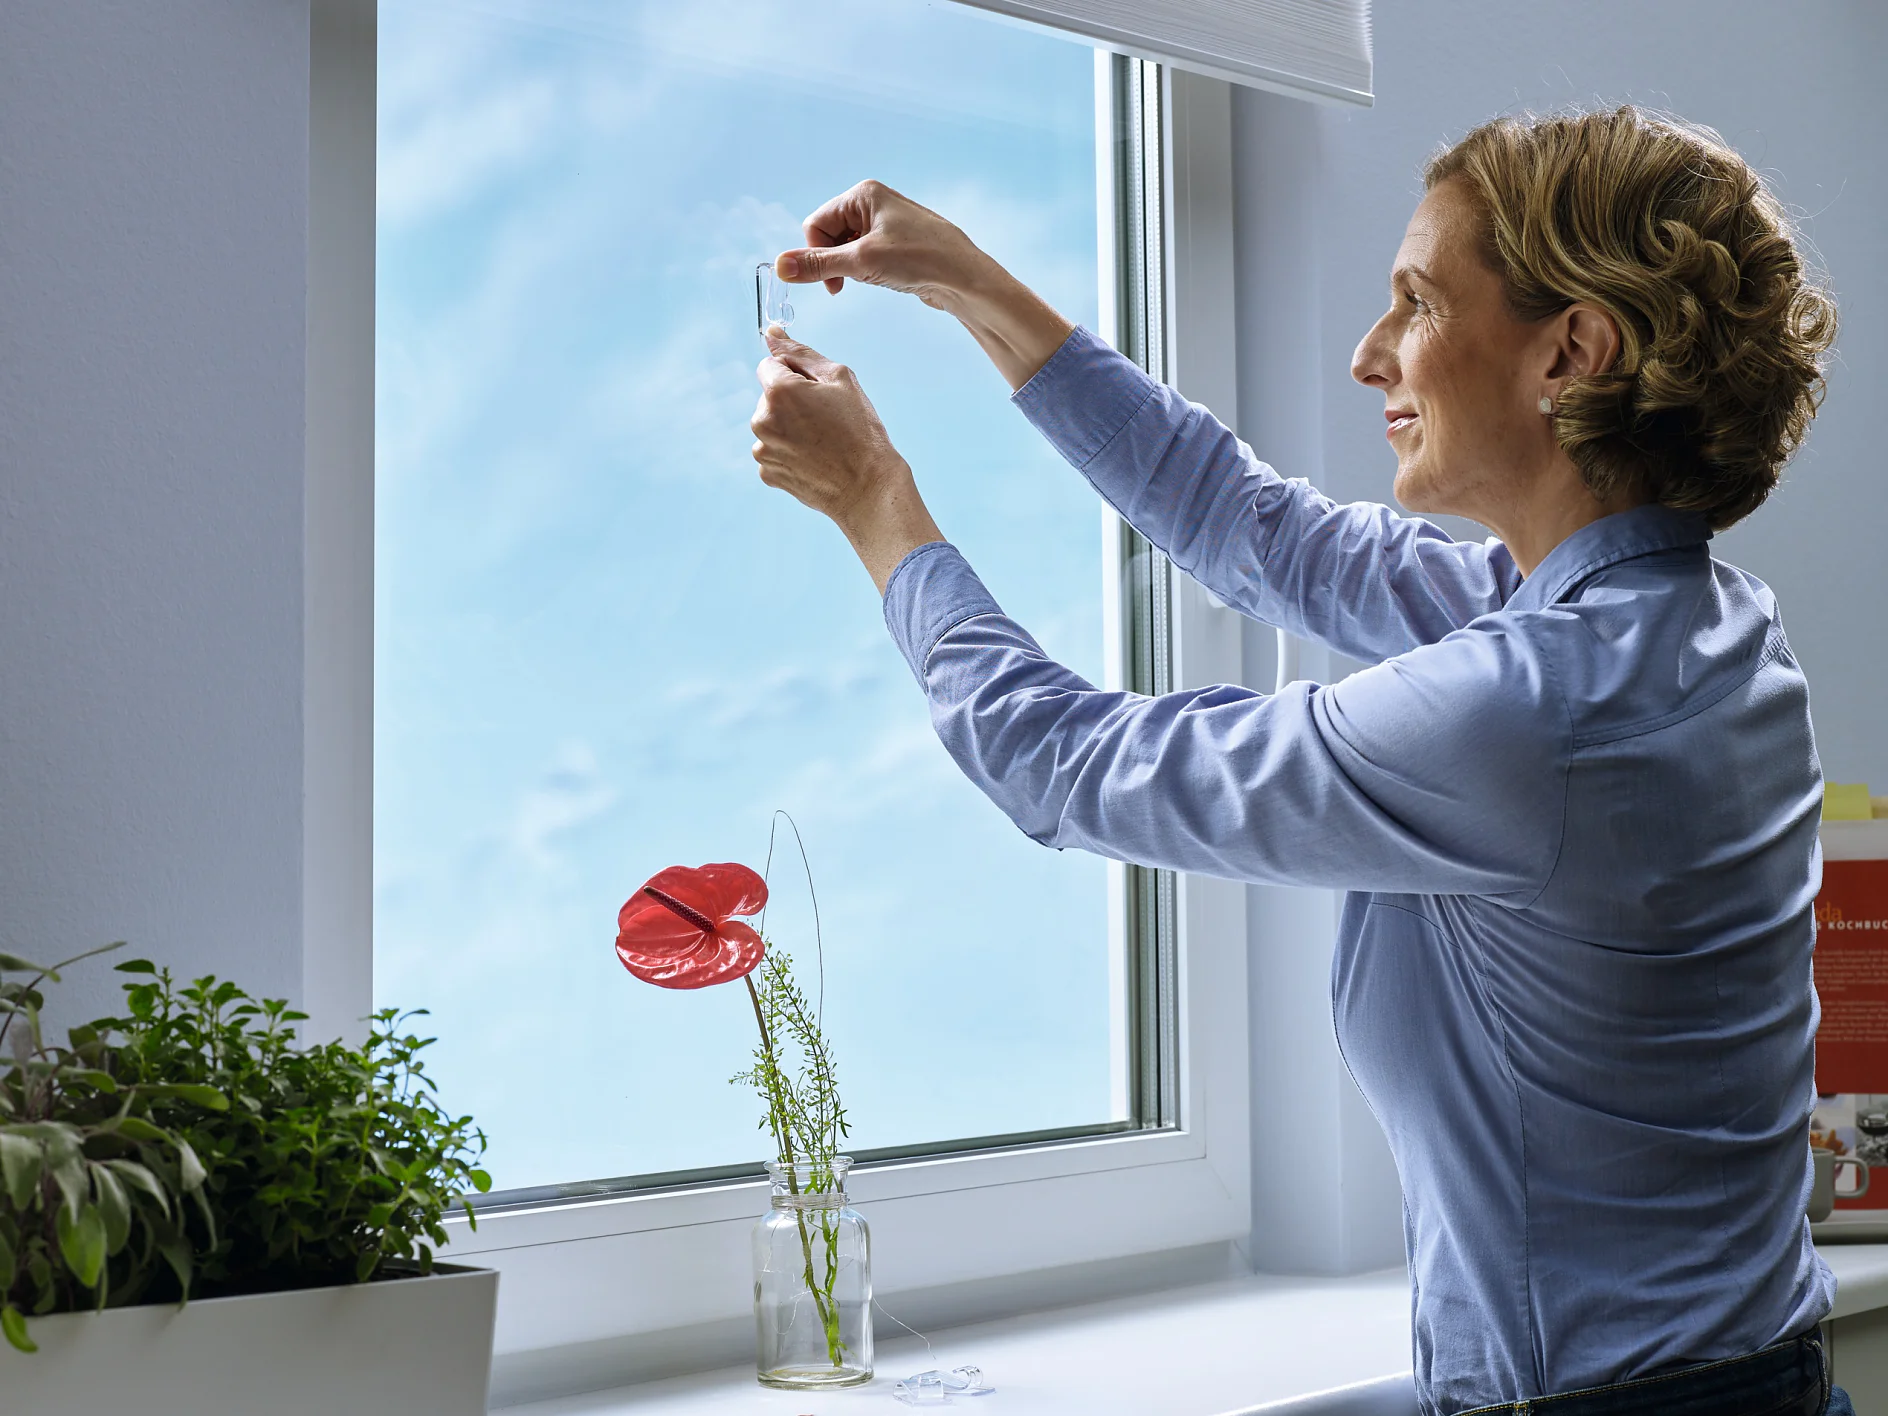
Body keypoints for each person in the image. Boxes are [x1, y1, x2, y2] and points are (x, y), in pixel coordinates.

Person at [747, 105, 1845, 1416]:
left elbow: (1059, 762)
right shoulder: (1695, 627)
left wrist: (875, 501)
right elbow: (1249, 528)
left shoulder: (1532, 715)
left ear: (1573, 352)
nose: (1368, 355)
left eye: (1419, 304)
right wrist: (968, 282)